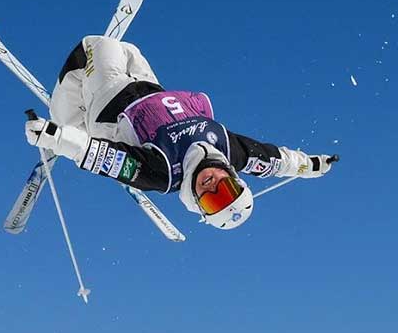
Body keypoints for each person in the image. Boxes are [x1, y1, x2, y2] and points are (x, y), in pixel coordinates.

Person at [24, 35, 338, 230]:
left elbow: (103, 157)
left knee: (96, 45)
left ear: (197, 203)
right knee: (129, 48)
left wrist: (59, 138)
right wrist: (311, 166)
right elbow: (276, 161)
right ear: (235, 179)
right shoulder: (231, 151)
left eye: (211, 201)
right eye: (226, 191)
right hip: (148, 84)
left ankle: (66, 114)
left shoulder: (162, 175)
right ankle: (73, 106)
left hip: (109, 101)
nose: (212, 186)